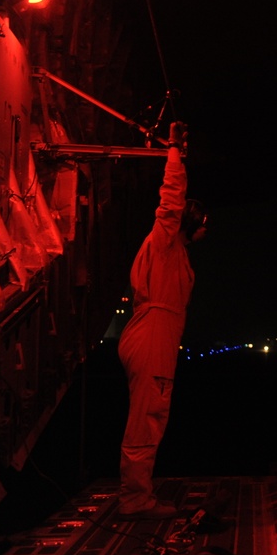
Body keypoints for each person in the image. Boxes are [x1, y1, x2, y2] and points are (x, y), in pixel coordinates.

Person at [117, 121, 207, 519]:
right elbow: (170, 201)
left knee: (152, 415)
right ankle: (135, 499)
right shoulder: (165, 241)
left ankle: (139, 493)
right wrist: (174, 151)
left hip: (157, 333)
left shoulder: (175, 254)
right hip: (153, 333)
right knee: (146, 418)